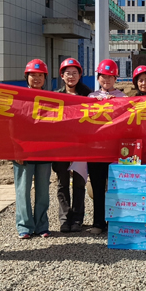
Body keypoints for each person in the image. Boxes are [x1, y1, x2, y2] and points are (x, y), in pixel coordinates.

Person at [87, 59, 126, 235]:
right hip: (95, 150)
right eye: (103, 76)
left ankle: (115, 220)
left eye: (110, 76)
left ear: (115, 78)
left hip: (115, 150)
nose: (106, 80)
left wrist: (116, 105)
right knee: (97, 187)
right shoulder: (91, 98)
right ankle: (98, 222)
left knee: (116, 188)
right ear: (98, 78)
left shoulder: (123, 98)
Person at [14, 59, 52, 239]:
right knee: (23, 190)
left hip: (44, 151)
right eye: (32, 75)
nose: (36, 78)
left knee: (43, 191)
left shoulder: (52, 100)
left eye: (40, 75)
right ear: (26, 77)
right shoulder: (19, 98)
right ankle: (25, 226)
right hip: (23, 152)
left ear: (45, 77)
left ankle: (41, 225)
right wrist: (15, 150)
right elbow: (12, 126)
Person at [52, 58, 91, 232]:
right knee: (62, 182)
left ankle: (77, 219)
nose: (71, 76)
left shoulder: (88, 95)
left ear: (80, 75)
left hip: (81, 145)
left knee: (79, 183)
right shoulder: (55, 96)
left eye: (75, 73)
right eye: (68, 73)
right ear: (62, 76)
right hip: (61, 145)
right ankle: (64, 218)